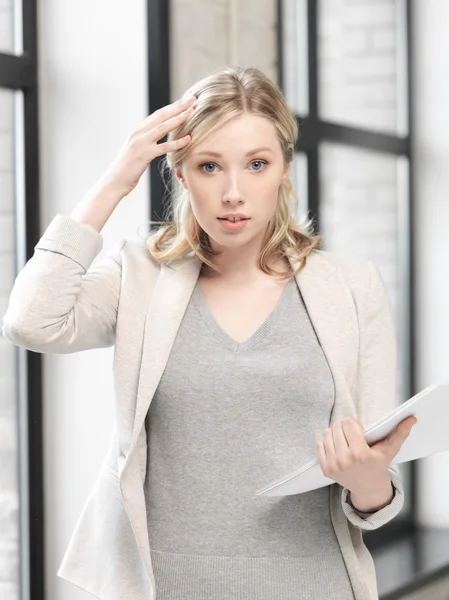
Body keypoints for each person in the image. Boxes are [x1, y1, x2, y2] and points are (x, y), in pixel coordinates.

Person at [3, 66, 416, 600]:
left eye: (257, 164)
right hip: (170, 586)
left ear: (285, 169)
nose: (233, 193)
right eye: (209, 166)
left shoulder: (354, 289)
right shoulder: (139, 278)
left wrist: (367, 482)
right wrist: (115, 181)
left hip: (315, 584)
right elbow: (30, 321)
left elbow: (378, 498)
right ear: (180, 173)